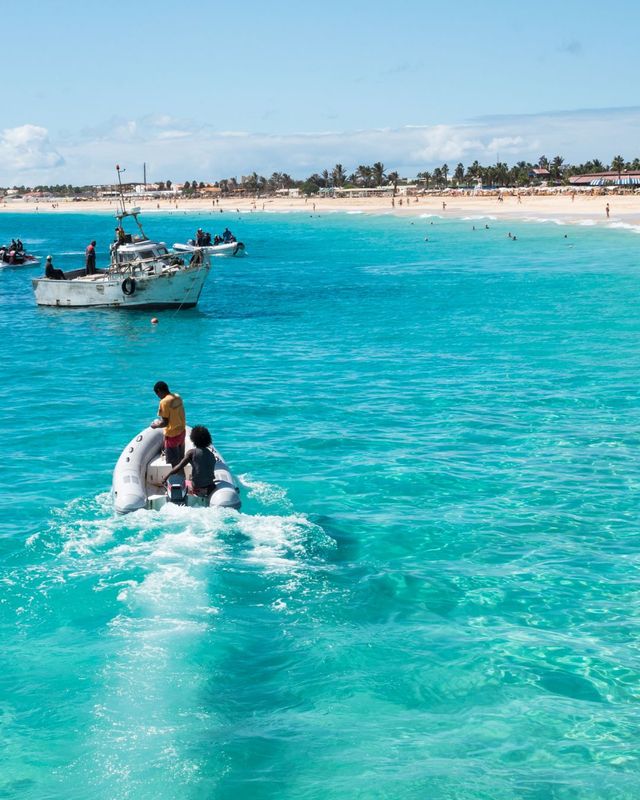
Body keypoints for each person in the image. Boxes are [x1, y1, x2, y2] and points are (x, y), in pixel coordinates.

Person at [164, 425, 217, 497]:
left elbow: (178, 467)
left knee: (180, 482)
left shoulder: (192, 453)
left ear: (193, 439)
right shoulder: (211, 455)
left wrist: (166, 477)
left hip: (197, 487)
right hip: (210, 487)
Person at [150, 381, 186, 466]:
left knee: (174, 464)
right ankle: (181, 474)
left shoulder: (164, 402)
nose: (158, 396)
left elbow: (165, 423)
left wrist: (155, 425)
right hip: (181, 433)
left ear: (159, 391)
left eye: (157, 394)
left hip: (172, 436)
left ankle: (176, 475)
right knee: (181, 461)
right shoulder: (177, 397)